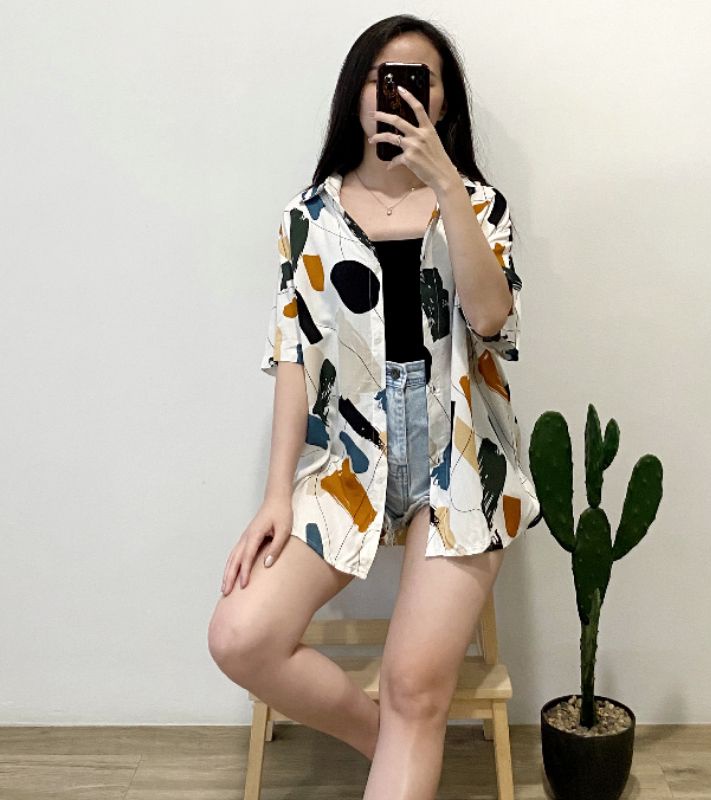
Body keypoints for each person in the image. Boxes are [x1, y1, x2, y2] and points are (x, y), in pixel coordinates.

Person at [208, 14, 540, 800]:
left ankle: (407, 736)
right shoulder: (309, 217)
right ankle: (391, 743)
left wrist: (446, 185)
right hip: (348, 461)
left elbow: (491, 319)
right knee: (239, 636)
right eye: (380, 76)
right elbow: (294, 357)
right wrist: (276, 495)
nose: (397, 92)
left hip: (463, 462)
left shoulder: (480, 205)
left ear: (443, 101)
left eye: (418, 79)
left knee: (415, 686)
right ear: (355, 94)